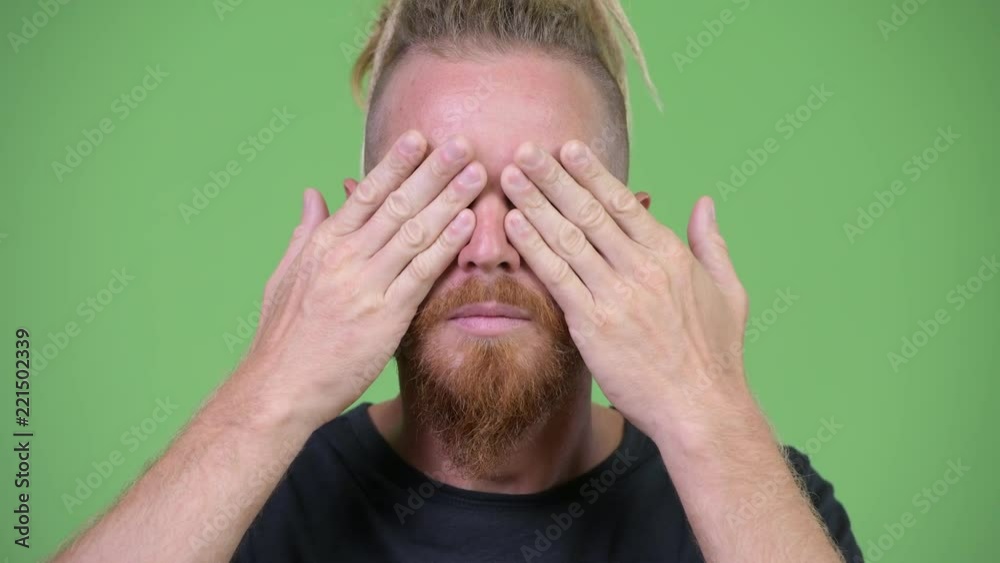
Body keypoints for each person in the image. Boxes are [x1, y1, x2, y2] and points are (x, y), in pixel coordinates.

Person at [52, 1, 862, 561]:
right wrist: (269, 390)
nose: (486, 247)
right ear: (355, 226)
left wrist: (710, 410)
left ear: (629, 234)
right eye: (436, 194)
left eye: (538, 197)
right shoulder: (244, 503)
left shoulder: (752, 494)